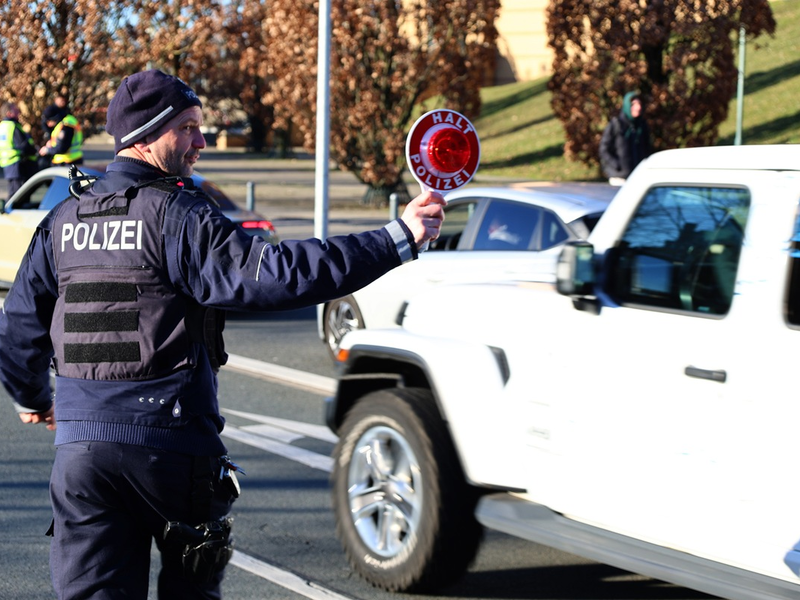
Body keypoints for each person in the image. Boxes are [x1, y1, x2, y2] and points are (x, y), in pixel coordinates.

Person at [0, 69, 445, 600]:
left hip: (82, 456)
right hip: (170, 449)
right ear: (145, 134)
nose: (201, 142)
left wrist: (33, 398)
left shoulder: (62, 221)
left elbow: (18, 328)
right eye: (187, 128)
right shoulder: (177, 216)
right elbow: (283, 275)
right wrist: (397, 238)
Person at [599, 91, 652, 186]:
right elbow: (604, 149)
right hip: (619, 178)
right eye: (634, 104)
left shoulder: (642, 126)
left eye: (639, 104)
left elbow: (647, 149)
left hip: (638, 177)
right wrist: (616, 164)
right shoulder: (616, 124)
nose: (638, 107)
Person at [0, 102, 37, 198]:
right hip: (17, 165)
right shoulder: (13, 126)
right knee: (19, 195)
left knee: (13, 191)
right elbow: (23, 146)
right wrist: (34, 151)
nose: (18, 112)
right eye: (15, 110)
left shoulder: (2, 126)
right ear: (9, 113)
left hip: (7, 164)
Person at [38, 101, 84, 168]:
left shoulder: (66, 125)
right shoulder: (65, 122)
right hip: (69, 161)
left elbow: (63, 147)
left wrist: (47, 150)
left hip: (68, 162)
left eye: (49, 121)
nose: (48, 124)